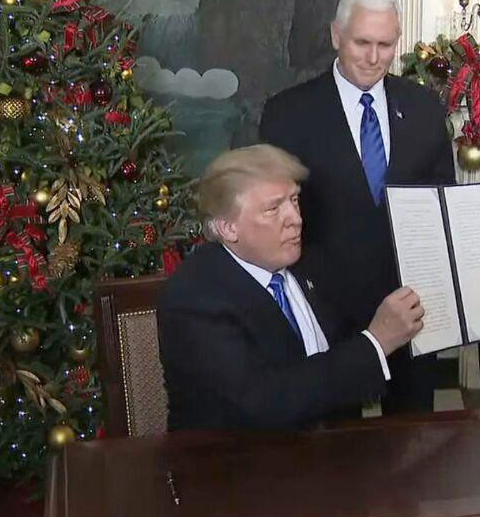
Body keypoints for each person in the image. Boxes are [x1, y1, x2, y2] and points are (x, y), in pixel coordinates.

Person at [260, 0, 480, 413]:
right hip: (327, 324)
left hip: (414, 318)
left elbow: (447, 215)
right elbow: (271, 220)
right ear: (336, 35)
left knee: (411, 446)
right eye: (362, 43)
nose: (374, 58)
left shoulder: (425, 109)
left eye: (386, 45)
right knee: (334, 450)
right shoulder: (288, 114)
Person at [157, 145, 425, 432]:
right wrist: (376, 342)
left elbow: (345, 345)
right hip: (240, 456)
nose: (296, 219)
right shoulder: (194, 298)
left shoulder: (310, 263)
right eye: (273, 209)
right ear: (228, 228)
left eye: (294, 200)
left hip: (333, 448)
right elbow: (263, 404)